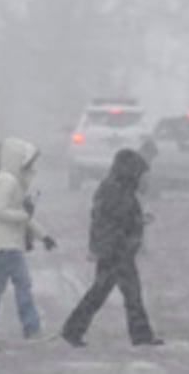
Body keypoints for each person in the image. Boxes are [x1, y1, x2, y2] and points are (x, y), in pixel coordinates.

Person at [61, 148, 163, 348]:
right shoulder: (115, 191)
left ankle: (73, 330)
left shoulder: (116, 189)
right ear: (130, 172)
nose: (143, 180)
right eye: (140, 174)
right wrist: (133, 227)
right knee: (128, 293)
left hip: (115, 249)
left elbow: (113, 219)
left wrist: (138, 221)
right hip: (117, 251)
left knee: (103, 291)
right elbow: (111, 222)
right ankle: (140, 335)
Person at [0, 137, 57, 348]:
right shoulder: (8, 181)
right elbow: (0, 211)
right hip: (6, 244)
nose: (30, 168)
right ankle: (31, 329)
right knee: (22, 284)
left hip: (4, 244)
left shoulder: (9, 180)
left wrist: (43, 235)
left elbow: (22, 215)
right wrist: (24, 216)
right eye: (27, 163)